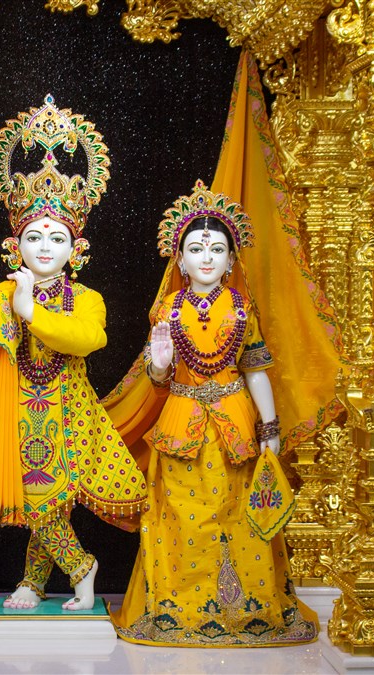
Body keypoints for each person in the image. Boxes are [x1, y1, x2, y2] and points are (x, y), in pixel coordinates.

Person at [0, 95, 147, 611]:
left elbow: (87, 339)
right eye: (33, 237)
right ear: (17, 246)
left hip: (68, 417)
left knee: (45, 498)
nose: (45, 246)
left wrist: (29, 310)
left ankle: (74, 568)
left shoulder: (87, 298)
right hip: (12, 415)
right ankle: (40, 580)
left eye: (57, 238)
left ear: (75, 249)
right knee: (41, 499)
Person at [110, 181, 318, 646]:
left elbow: (256, 370)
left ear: (231, 260)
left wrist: (269, 427)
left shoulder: (242, 310)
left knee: (239, 514)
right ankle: (178, 612)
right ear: (180, 260)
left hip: (235, 423)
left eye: (217, 249)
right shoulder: (167, 310)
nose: (207, 257)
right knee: (181, 517)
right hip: (181, 421)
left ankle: (248, 611)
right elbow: (159, 378)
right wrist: (159, 363)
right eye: (197, 249)